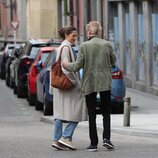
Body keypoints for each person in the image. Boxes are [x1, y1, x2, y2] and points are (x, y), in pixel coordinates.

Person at [63, 21, 116, 152]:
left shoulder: (84, 46)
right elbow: (113, 61)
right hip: (105, 82)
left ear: (89, 33)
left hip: (90, 82)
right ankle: (107, 139)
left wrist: (66, 65)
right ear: (99, 32)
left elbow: (77, 65)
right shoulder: (107, 44)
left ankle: (93, 144)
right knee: (106, 112)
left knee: (92, 113)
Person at [51, 26, 87, 150]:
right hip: (68, 85)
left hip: (60, 86)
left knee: (60, 113)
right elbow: (65, 67)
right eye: (73, 35)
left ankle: (56, 140)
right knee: (78, 111)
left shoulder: (62, 46)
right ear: (66, 35)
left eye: (76, 35)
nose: (75, 38)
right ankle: (66, 137)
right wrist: (76, 82)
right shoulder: (66, 47)